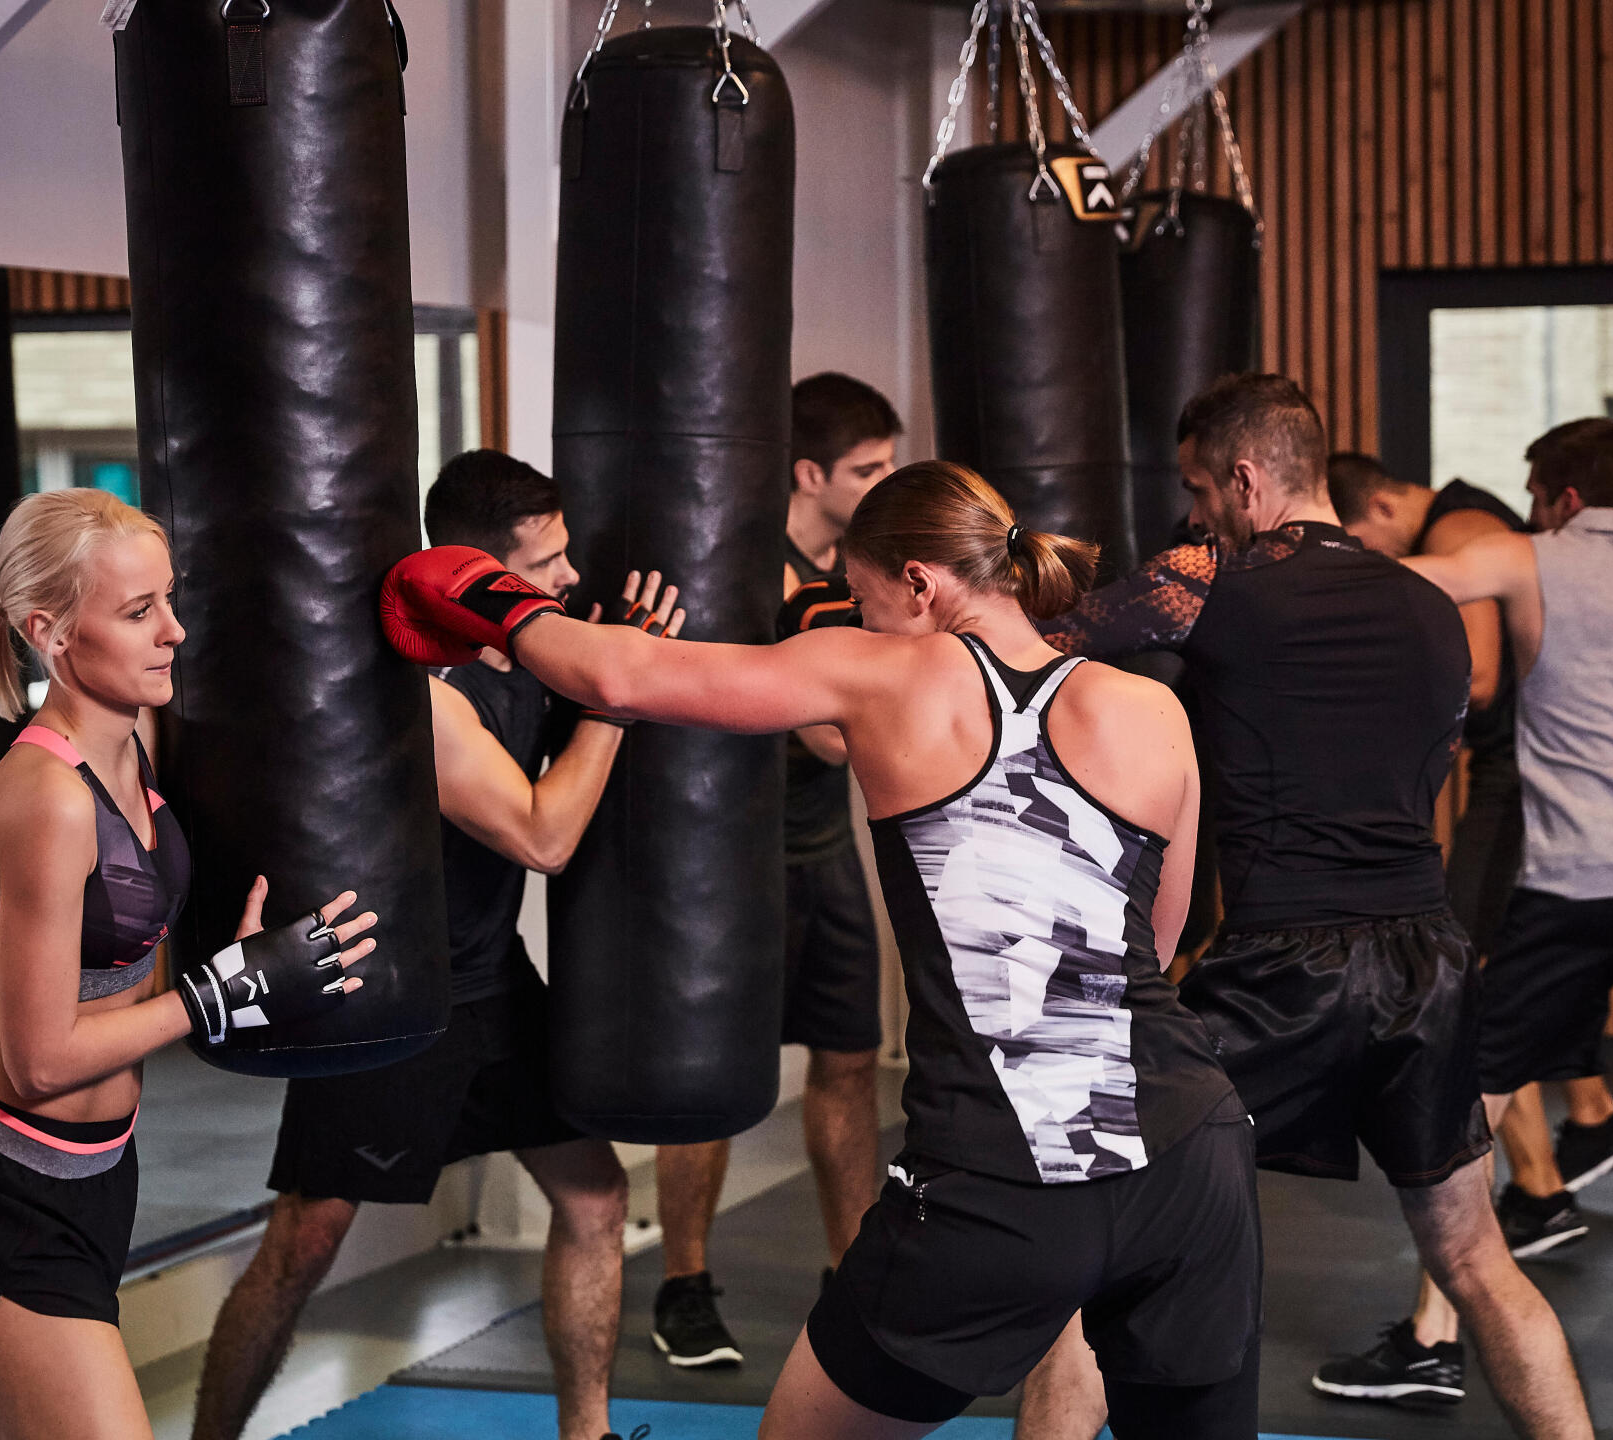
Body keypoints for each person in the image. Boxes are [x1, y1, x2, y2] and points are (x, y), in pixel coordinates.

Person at [383, 460, 1265, 1440]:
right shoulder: (1150, 710)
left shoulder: (880, 672)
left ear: (922, 586)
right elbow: (1161, 940)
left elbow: (616, 675)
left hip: (1004, 1174)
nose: (858, 615)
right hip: (1194, 1154)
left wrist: (474, 584)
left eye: (864, 596)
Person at [1014, 375, 1591, 1440]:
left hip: (1286, 970)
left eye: (1198, 489)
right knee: (1474, 1261)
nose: (1192, 515)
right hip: (1428, 961)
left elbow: (1043, 647)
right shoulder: (1430, 604)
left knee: (1092, 1247)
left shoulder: (1207, 577)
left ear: (1245, 478)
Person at [190, 453, 679, 1440]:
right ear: (478, 574)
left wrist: (621, 664)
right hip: (396, 992)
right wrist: (614, 701)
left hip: (494, 984)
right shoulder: (431, 697)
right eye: (544, 562)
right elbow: (544, 834)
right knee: (304, 1242)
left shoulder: (534, 660)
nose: (568, 578)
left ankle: (587, 1436)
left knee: (595, 1195)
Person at [1328, 416, 1613, 1401]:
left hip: (1575, 887)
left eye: (1537, 495)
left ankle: (1435, 1336)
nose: (1534, 511)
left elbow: (1399, 583)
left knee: (1472, 1103)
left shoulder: (1532, 557)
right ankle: (1432, 1329)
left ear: (1563, 499)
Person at [0, 488, 374, 1440]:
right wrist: (220, 993)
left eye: (168, 600)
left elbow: (120, 972)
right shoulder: (49, 797)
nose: (174, 631)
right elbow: (38, 1060)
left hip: (97, 1175)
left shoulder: (136, 747)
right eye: (137, 611)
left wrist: (234, 970)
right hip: (6, 1187)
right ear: (51, 631)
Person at [1330, 454, 1613, 1259]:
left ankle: (1567, 1154)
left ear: (1382, 504)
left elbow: (1480, 679)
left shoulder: (1463, 526)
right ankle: (1562, 1158)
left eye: (1368, 546)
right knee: (1480, 967)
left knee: (1466, 970)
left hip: (1517, 776)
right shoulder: (1465, 520)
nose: (1380, 565)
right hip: (1517, 775)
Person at [652, 373, 902, 1368]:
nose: (885, 483)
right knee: (708, 1081)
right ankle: (684, 1284)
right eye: (868, 470)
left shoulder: (868, 570)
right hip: (730, 863)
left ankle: (854, 1277)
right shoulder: (739, 565)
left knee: (846, 1064)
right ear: (809, 473)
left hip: (824, 851)